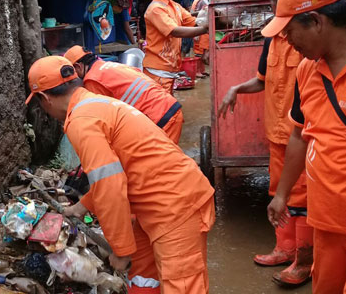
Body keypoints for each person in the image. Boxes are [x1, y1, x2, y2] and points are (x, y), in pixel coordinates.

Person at [25, 55, 215, 294]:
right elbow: (113, 174)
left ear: (43, 98)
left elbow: (110, 187)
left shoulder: (81, 122)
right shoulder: (95, 103)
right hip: (157, 201)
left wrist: (120, 251)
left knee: (183, 284)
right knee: (144, 277)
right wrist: (82, 207)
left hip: (176, 206)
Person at [262, 0, 346, 293]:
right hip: (326, 224)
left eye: (290, 32)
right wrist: (282, 195)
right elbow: (298, 135)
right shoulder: (307, 71)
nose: (287, 42)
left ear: (317, 21)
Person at [218, 0, 312, 287]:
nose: (276, 4)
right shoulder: (272, 38)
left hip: (302, 135)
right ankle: (284, 249)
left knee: (302, 200)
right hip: (276, 133)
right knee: (278, 194)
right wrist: (235, 89)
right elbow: (261, 79)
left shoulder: (307, 41)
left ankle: (303, 260)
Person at [64, 45, 184, 143]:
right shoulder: (111, 66)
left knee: (160, 167)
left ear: (78, 67)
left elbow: (103, 121)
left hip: (160, 118)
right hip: (168, 108)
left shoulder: (92, 80)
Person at [143, 0, 208, 94]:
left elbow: (193, 22)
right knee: (162, 109)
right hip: (158, 70)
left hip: (169, 68)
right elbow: (175, 31)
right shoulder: (155, 9)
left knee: (166, 106)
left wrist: (208, 16)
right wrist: (205, 29)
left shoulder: (175, 6)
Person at [191, 0, 212, 72]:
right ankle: (198, 71)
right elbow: (198, 13)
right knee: (199, 51)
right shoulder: (202, 0)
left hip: (197, 25)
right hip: (198, 26)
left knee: (201, 50)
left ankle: (201, 71)